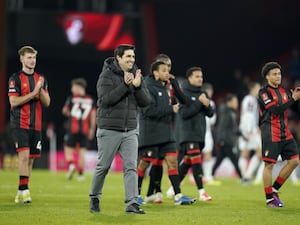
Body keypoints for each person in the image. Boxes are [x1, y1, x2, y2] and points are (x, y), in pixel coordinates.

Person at [89, 44, 150, 214]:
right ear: (118, 58)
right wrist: (125, 85)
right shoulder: (106, 75)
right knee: (103, 166)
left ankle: (131, 203)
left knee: (131, 167)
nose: (132, 59)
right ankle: (94, 197)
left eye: (133, 56)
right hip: (109, 129)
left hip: (130, 129)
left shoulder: (137, 75)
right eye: (128, 56)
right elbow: (106, 100)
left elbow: (146, 102)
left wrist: (137, 87)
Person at [138, 61, 195, 205]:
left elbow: (185, 101)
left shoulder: (168, 87)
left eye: (168, 69)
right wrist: (171, 110)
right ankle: (135, 195)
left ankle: (178, 196)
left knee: (172, 162)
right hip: (151, 132)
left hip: (166, 132)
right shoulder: (147, 87)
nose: (167, 72)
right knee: (144, 164)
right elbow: (148, 111)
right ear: (155, 73)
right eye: (164, 70)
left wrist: (175, 84)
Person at [8, 46, 51, 203]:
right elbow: (13, 101)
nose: (32, 61)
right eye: (29, 57)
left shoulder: (41, 79)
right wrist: (32, 94)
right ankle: (24, 190)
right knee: (24, 157)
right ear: (21, 59)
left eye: (33, 57)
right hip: (20, 123)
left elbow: (47, 102)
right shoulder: (15, 79)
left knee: (31, 159)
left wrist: (40, 92)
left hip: (36, 125)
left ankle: (22, 189)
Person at [166, 67, 214, 201]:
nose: (200, 79)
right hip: (186, 133)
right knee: (196, 160)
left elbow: (210, 114)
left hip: (199, 133)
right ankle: (202, 192)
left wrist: (207, 105)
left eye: (201, 76)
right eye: (197, 76)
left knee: (187, 162)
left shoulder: (203, 93)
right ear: (190, 78)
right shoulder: (183, 93)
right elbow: (183, 114)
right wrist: (199, 103)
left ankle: (173, 189)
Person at [257, 61, 300, 207]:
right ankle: (269, 198)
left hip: (285, 132)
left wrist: (295, 97)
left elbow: (291, 107)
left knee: (294, 161)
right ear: (267, 77)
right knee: (269, 165)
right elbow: (274, 110)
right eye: (274, 74)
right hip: (270, 132)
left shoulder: (284, 91)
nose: (278, 76)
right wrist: (293, 99)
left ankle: (274, 189)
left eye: (279, 73)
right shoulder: (263, 92)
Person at [62, 78, 96, 181]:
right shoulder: (90, 100)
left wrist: (70, 115)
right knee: (82, 153)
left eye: (73, 87)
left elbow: (64, 111)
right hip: (85, 130)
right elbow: (93, 116)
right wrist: (92, 129)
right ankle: (80, 175)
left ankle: (72, 165)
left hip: (73, 129)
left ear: (78, 87)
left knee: (68, 150)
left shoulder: (72, 99)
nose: (72, 89)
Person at [212, 93, 244, 181]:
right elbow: (222, 126)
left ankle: (211, 175)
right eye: (235, 101)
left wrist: (241, 134)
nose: (236, 103)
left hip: (227, 140)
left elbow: (232, 128)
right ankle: (242, 178)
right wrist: (221, 139)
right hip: (226, 140)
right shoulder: (225, 111)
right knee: (234, 160)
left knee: (219, 160)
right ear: (229, 102)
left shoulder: (230, 112)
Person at [238, 82, 262, 182]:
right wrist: (248, 130)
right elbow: (248, 115)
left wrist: (256, 127)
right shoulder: (250, 100)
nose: (259, 90)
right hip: (248, 130)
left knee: (252, 153)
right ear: (252, 89)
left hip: (251, 129)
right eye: (258, 88)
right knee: (247, 153)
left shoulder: (251, 99)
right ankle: (246, 176)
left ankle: (246, 176)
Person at [201, 82, 219, 185]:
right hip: (202, 132)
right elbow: (212, 120)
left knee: (207, 154)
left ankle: (207, 176)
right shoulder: (207, 102)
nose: (210, 93)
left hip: (206, 132)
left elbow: (212, 120)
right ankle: (200, 176)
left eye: (211, 91)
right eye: (208, 90)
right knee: (196, 155)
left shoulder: (211, 103)